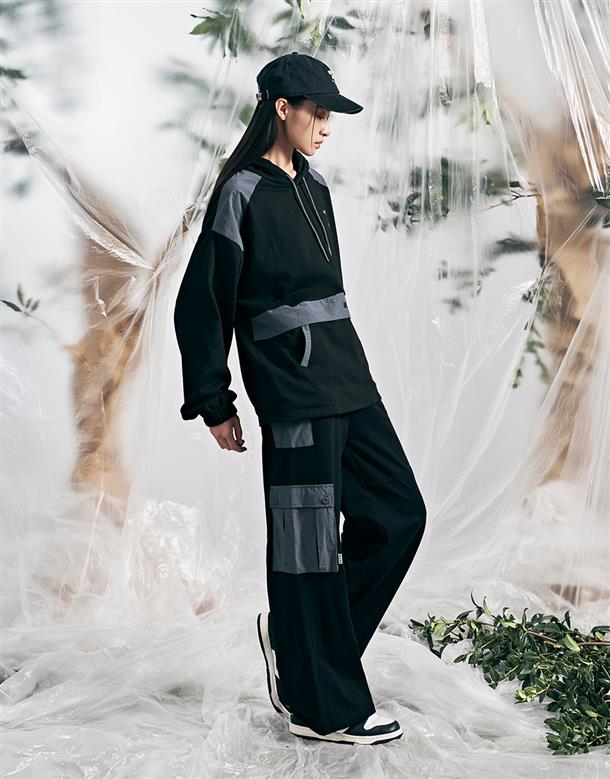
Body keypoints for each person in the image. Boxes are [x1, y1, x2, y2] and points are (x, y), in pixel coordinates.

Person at [174, 52, 427, 746]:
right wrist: (214, 399)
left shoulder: (313, 185)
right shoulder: (241, 192)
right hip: (293, 393)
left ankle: (297, 642)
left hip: (348, 380)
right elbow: (202, 303)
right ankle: (324, 708)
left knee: (398, 515)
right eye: (318, 113)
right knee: (309, 549)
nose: (326, 127)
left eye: (329, 115)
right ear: (281, 108)